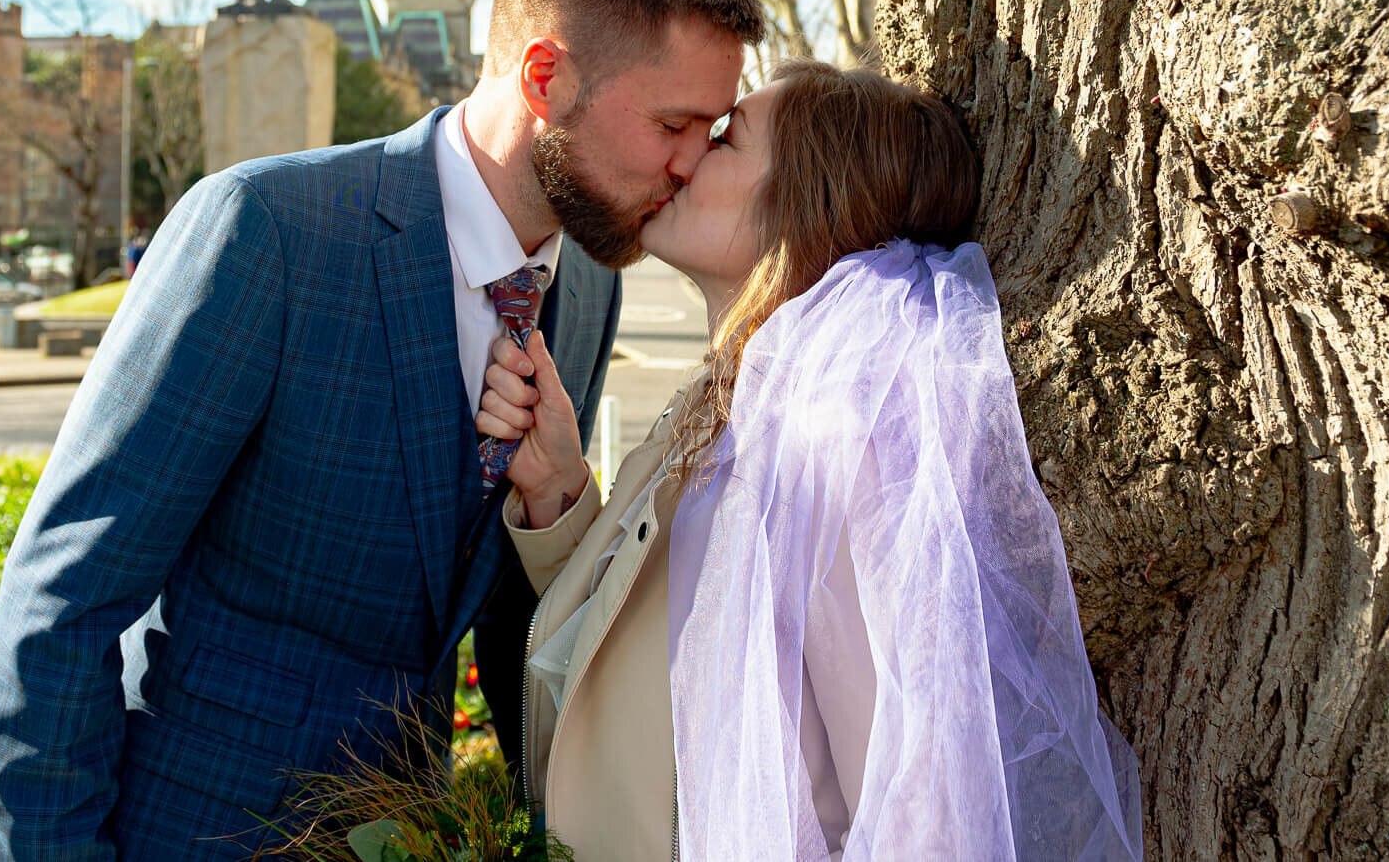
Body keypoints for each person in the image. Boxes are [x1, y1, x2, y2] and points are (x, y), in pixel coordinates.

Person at [0, 0, 767, 861]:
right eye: (671, 125)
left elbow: (506, 618)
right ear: (544, 78)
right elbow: (63, 598)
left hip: (408, 826)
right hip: (187, 829)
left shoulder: (587, 288)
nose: (692, 163)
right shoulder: (267, 233)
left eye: (713, 130)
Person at [483, 60, 1144, 861]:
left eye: (724, 140)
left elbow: (919, 814)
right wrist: (558, 490)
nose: (682, 158)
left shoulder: (841, 442)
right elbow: (633, 675)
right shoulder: (714, 409)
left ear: (805, 201)